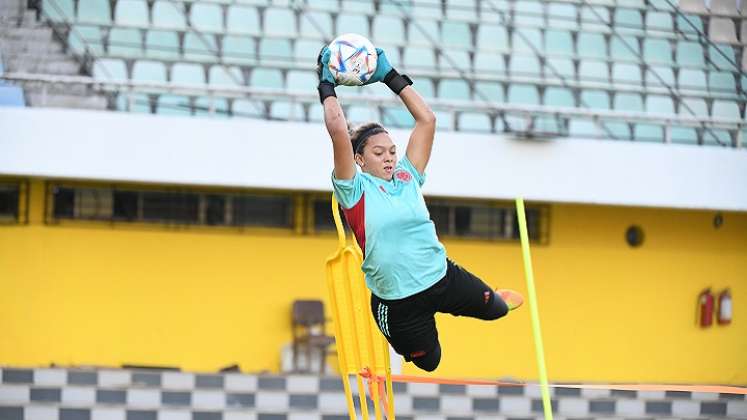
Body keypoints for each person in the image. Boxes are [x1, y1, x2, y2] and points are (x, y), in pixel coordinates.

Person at [317, 46, 524, 372]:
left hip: (441, 277)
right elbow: (337, 131)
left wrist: (389, 76)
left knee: (497, 309)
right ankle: (396, 331)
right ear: (359, 159)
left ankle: (490, 297)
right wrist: (327, 86)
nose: (388, 157)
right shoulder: (354, 191)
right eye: (378, 153)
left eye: (392, 151)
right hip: (398, 302)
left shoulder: (406, 176)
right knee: (429, 362)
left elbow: (427, 119)